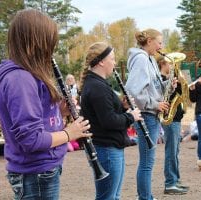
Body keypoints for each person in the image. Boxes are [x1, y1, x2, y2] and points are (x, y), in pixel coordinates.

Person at [0, 9, 91, 199]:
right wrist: (69, 133)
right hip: (35, 173)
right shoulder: (20, 79)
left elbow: (33, 118)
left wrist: (59, 111)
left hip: (40, 171)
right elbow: (31, 139)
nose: (52, 49)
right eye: (49, 42)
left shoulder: (25, 75)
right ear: (36, 42)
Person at [79, 42, 142, 200]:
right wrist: (131, 116)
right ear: (101, 61)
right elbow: (108, 121)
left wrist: (122, 106)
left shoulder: (97, 84)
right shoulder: (97, 86)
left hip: (109, 146)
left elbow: (105, 114)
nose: (114, 62)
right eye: (112, 59)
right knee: (107, 197)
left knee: (113, 196)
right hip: (106, 148)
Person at [125, 28, 175, 200]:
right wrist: (155, 104)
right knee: (147, 162)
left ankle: (146, 196)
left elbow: (152, 86)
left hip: (151, 114)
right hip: (147, 114)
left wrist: (168, 83)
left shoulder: (151, 59)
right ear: (149, 41)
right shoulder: (140, 59)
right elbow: (133, 91)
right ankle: (145, 197)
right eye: (159, 42)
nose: (161, 46)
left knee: (148, 161)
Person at [157, 56, 188, 194]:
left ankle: (175, 180)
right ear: (163, 64)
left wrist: (181, 84)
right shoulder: (160, 79)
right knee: (171, 151)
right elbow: (165, 97)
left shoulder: (169, 79)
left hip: (176, 117)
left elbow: (180, 95)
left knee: (175, 151)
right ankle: (170, 183)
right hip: (170, 118)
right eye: (170, 63)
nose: (172, 66)